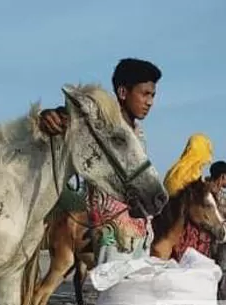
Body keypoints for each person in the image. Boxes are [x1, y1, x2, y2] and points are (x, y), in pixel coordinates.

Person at [37, 58, 162, 264]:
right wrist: (50, 116)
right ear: (123, 93)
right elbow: (68, 120)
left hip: (141, 235)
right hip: (112, 235)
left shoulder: (139, 136)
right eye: (145, 94)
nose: (150, 101)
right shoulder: (100, 128)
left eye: (153, 95)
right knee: (113, 292)